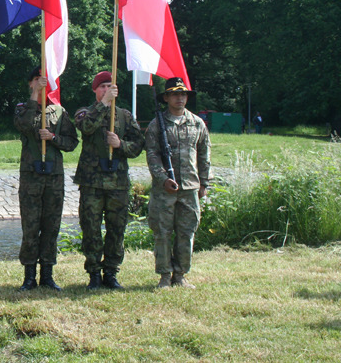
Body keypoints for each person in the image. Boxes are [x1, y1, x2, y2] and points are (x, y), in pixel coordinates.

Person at [73, 71, 145, 290]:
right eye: (102, 86)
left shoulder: (124, 116)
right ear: (95, 90)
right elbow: (86, 128)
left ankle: (111, 272)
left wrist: (120, 145)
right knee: (91, 229)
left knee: (117, 229)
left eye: (109, 86)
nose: (106, 90)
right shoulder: (85, 112)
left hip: (118, 184)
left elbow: (139, 145)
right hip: (92, 183)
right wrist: (103, 104)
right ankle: (94, 273)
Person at [13, 67, 78, 291]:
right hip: (31, 176)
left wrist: (53, 137)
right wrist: (34, 97)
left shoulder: (59, 112)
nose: (42, 84)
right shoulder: (23, 108)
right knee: (30, 226)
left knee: (51, 226)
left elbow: (71, 143)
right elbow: (22, 125)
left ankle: (47, 274)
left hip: (53, 176)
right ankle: (29, 275)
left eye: (45, 81)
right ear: (31, 83)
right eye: (37, 80)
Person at [145, 77, 211, 289]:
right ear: (166, 98)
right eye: (174, 94)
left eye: (183, 94)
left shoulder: (197, 123)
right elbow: (152, 155)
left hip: (190, 187)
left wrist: (204, 184)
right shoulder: (157, 124)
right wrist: (163, 179)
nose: (180, 98)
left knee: (186, 232)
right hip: (165, 189)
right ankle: (165, 275)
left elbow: (204, 154)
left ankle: (181, 275)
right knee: (162, 232)